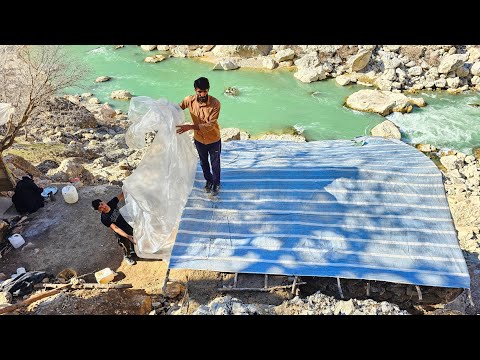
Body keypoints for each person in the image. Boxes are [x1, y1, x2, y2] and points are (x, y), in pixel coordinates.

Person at [176, 77, 222, 196]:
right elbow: (176, 108)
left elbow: (210, 125)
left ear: (208, 90)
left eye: (205, 91)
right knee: (203, 162)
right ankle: (208, 180)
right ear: (195, 90)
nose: (202, 94)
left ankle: (216, 183)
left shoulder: (215, 104)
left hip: (213, 139)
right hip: (199, 139)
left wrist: (190, 127)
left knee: (215, 163)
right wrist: (163, 108)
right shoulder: (189, 100)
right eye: (199, 92)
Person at [92, 192, 137, 265]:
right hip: (120, 232)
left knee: (133, 237)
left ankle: (133, 251)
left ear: (103, 202)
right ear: (99, 210)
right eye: (100, 207)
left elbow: (121, 195)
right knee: (125, 245)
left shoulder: (112, 203)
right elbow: (115, 228)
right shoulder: (104, 218)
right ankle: (127, 256)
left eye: (102, 204)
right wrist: (126, 236)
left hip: (127, 224)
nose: (103, 207)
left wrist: (127, 187)